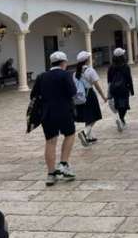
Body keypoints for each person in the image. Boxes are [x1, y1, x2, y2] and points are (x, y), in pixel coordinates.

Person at [30, 51, 77, 186]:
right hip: (64, 111)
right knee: (70, 134)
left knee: (50, 141)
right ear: (63, 63)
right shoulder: (65, 75)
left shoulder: (41, 76)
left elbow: (33, 95)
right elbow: (73, 92)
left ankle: (51, 174)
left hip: (47, 113)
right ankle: (63, 163)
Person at [75, 51, 107, 147]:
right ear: (86, 60)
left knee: (88, 116)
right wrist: (103, 96)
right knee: (94, 116)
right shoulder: (90, 71)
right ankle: (84, 133)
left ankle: (89, 137)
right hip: (89, 95)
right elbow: (97, 85)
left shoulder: (76, 73)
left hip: (81, 96)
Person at [107, 47, 134, 132]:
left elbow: (109, 79)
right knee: (124, 106)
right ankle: (121, 118)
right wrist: (131, 90)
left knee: (117, 104)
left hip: (114, 89)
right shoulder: (126, 66)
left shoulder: (111, 67)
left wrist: (110, 89)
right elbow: (129, 79)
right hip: (124, 89)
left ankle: (121, 119)